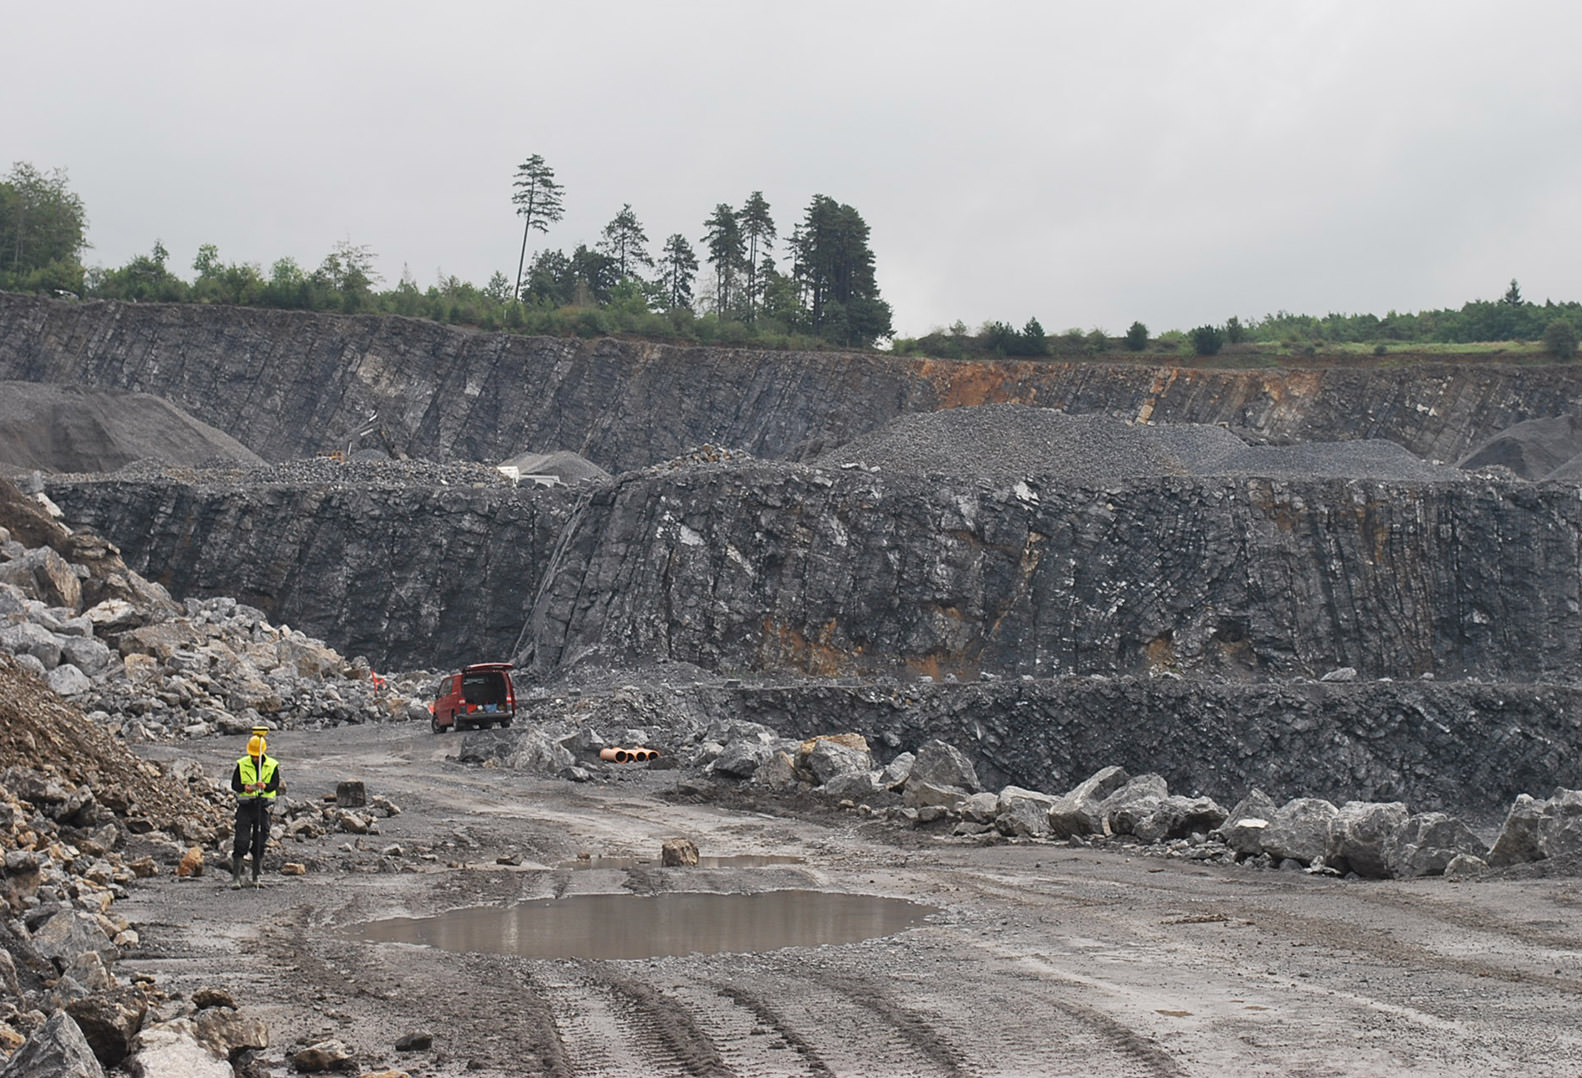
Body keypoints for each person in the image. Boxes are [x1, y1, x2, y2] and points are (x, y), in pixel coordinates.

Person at [229, 732, 282, 889]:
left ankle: (256, 877)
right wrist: (244, 788)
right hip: (245, 806)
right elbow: (235, 784)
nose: (254, 758)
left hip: (262, 807)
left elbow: (275, 783)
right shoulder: (242, 763)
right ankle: (236, 878)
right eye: (252, 756)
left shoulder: (272, 765)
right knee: (241, 841)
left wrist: (265, 786)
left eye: (256, 756)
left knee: (260, 842)